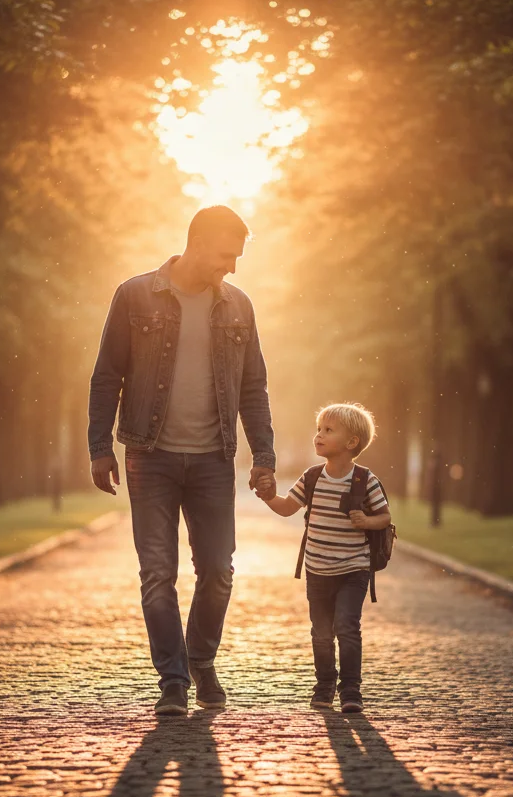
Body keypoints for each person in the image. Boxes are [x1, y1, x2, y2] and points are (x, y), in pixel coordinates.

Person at [88, 205, 276, 716]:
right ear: (196, 242)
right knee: (158, 573)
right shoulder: (134, 295)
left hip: (215, 456)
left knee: (218, 570)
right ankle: (173, 680)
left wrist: (264, 453)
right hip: (150, 456)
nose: (232, 267)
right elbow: (108, 376)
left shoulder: (239, 306)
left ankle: (200, 659)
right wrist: (100, 447)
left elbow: (253, 385)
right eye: (225, 255)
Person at [254, 403, 391, 713]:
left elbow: (384, 518)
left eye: (328, 431)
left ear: (351, 442)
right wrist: (268, 497)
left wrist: (365, 522)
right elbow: (288, 506)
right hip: (317, 569)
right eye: (318, 429)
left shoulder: (364, 480)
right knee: (321, 631)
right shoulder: (312, 476)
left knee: (346, 627)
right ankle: (324, 685)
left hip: (353, 569)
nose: (319, 435)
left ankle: (351, 690)